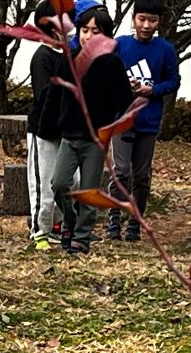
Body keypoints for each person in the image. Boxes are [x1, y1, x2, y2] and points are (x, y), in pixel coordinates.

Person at [50, 4, 133, 255]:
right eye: (84, 30)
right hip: (69, 135)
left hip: (96, 139)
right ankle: (70, 222)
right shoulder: (68, 59)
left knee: (88, 190)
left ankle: (82, 237)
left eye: (95, 31)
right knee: (59, 184)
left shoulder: (113, 65)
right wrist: (51, 124)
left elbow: (125, 103)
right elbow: (56, 95)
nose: (88, 35)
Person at [106, 0, 180, 241]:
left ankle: (135, 223)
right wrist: (122, 86)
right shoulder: (120, 45)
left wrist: (153, 89)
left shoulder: (165, 49)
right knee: (120, 171)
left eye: (153, 20)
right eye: (142, 19)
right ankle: (114, 219)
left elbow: (173, 81)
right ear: (134, 19)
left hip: (149, 120)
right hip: (122, 118)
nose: (147, 25)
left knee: (142, 175)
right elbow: (106, 73)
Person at [25, 0, 68, 252]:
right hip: (43, 131)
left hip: (65, 130)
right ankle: (39, 231)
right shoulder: (42, 56)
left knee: (68, 181)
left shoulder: (67, 55)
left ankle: (58, 226)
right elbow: (43, 95)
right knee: (43, 185)